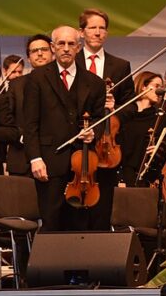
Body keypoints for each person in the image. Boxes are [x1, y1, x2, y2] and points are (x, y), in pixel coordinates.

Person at [24, 26, 105, 232]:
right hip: (49, 162)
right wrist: (35, 158)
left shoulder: (94, 82)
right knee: (51, 221)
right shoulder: (37, 78)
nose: (66, 48)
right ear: (53, 47)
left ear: (79, 47)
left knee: (79, 224)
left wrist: (93, 131)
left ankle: (76, 265)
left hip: (82, 165)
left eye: (71, 44)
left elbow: (99, 118)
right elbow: (30, 123)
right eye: (61, 44)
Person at [77, 8, 137, 230]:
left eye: (102, 28)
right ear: (81, 32)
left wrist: (115, 110)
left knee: (102, 209)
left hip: (107, 147)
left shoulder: (120, 66)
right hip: (78, 143)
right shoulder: (71, 62)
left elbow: (132, 106)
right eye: (92, 27)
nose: (98, 32)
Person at [0, 34, 53, 177]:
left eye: (44, 49)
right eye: (34, 51)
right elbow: (6, 119)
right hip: (21, 159)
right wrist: (23, 136)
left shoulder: (65, 84)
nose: (40, 53)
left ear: (53, 52)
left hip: (56, 161)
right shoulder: (16, 84)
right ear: (28, 58)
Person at [120, 71, 165, 187]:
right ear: (144, 86)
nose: (160, 91)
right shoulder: (125, 113)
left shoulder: (160, 117)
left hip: (145, 175)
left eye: (162, 88)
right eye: (156, 86)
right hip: (121, 173)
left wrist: (158, 149)